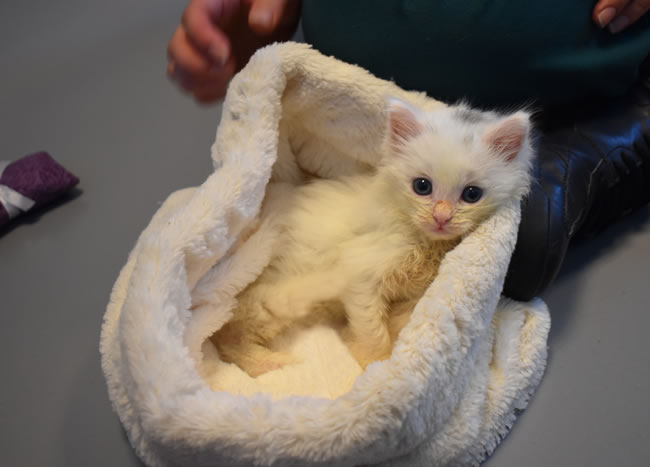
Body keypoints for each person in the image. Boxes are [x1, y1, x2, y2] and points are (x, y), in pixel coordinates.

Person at [167, 0, 650, 300]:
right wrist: (265, 15)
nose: (440, 214)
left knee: (520, 242)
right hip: (355, 102)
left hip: (581, 90)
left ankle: (623, 128)